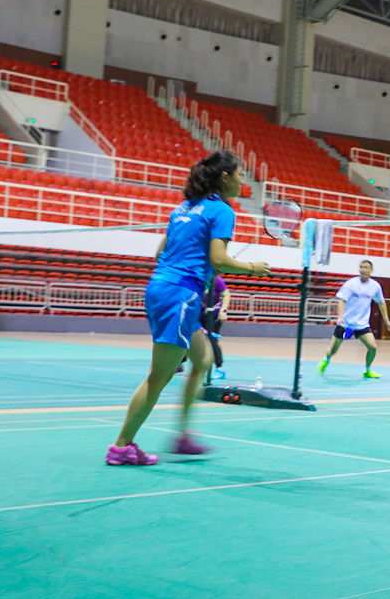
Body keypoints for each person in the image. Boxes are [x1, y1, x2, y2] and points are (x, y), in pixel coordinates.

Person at [106, 150, 270, 466]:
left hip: (162, 289)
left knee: (203, 359)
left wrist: (199, 266)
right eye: (239, 174)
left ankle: (182, 436)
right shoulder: (222, 210)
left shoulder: (182, 208)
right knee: (158, 377)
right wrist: (252, 268)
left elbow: (160, 254)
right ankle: (121, 447)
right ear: (224, 177)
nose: (242, 181)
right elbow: (219, 259)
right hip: (180, 295)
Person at [317, 259, 390, 379]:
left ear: (371, 270)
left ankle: (367, 371)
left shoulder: (375, 286)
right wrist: (340, 316)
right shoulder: (351, 284)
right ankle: (326, 360)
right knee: (333, 350)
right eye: (361, 267)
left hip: (361, 325)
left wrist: (386, 320)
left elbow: (381, 303)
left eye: (366, 267)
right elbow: (342, 300)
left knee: (372, 347)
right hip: (346, 324)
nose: (363, 270)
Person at [202, 274, 230, 380]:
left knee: (211, 341)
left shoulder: (216, 279)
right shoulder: (196, 276)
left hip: (214, 315)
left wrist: (223, 310)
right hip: (199, 315)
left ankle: (220, 369)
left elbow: (226, 294)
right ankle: (180, 363)